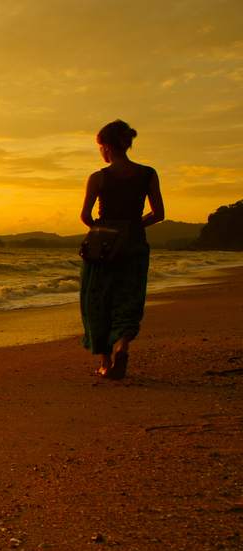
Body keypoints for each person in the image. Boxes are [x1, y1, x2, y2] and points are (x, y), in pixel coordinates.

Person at [79, 120, 165, 380]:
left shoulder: (98, 177)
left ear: (106, 147)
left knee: (97, 301)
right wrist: (130, 226)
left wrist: (104, 229)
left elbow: (85, 216)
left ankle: (105, 363)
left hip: (103, 249)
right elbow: (158, 214)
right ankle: (122, 348)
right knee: (129, 299)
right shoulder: (148, 173)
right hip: (135, 244)